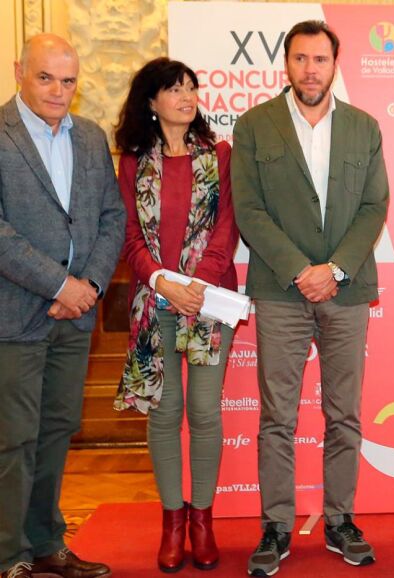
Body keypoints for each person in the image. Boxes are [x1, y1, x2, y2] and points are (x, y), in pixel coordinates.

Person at [232, 20, 388, 576]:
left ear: (334, 65)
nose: (310, 69)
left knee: (344, 413)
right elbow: (249, 210)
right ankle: (275, 526)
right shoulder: (255, 126)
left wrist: (336, 269)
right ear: (287, 64)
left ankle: (341, 519)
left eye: (320, 59)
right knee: (277, 415)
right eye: (300, 59)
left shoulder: (364, 127)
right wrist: (302, 270)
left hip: (347, 290)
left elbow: (374, 206)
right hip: (281, 289)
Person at [0, 34, 125, 578]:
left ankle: (47, 541)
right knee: (13, 438)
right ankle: (8, 554)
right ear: (18, 71)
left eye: (68, 80)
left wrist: (88, 285)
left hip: (77, 316)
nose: (58, 90)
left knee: (57, 429)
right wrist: (59, 286)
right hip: (15, 314)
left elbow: (112, 217)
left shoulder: (91, 137)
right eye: (45, 77)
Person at [111, 57, 239, 573]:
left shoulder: (219, 155)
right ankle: (172, 523)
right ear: (151, 101)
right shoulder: (132, 162)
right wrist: (162, 281)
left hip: (209, 301)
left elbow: (228, 227)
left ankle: (202, 521)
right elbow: (128, 234)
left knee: (205, 412)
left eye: (191, 88)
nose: (187, 97)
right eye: (174, 89)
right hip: (154, 302)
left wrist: (197, 285)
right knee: (164, 414)